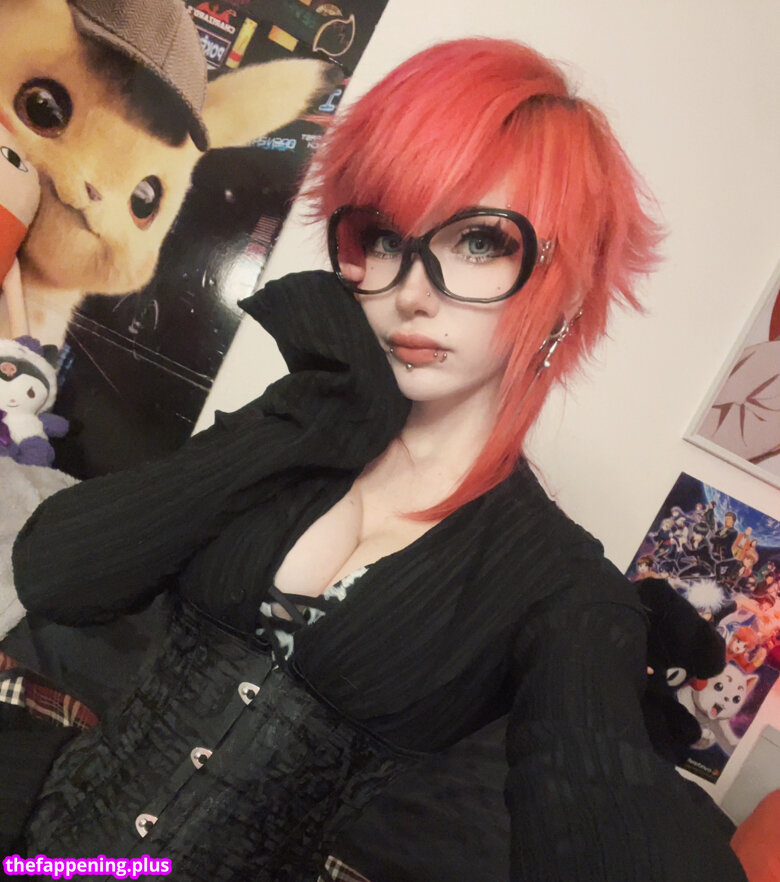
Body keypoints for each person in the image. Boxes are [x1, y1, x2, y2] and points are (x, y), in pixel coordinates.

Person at [9, 38, 750, 881]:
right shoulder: (294, 426)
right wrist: (307, 412)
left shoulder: (562, 585)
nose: (412, 291)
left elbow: (592, 793)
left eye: (480, 240)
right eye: (388, 238)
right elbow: (59, 576)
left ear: (568, 289)